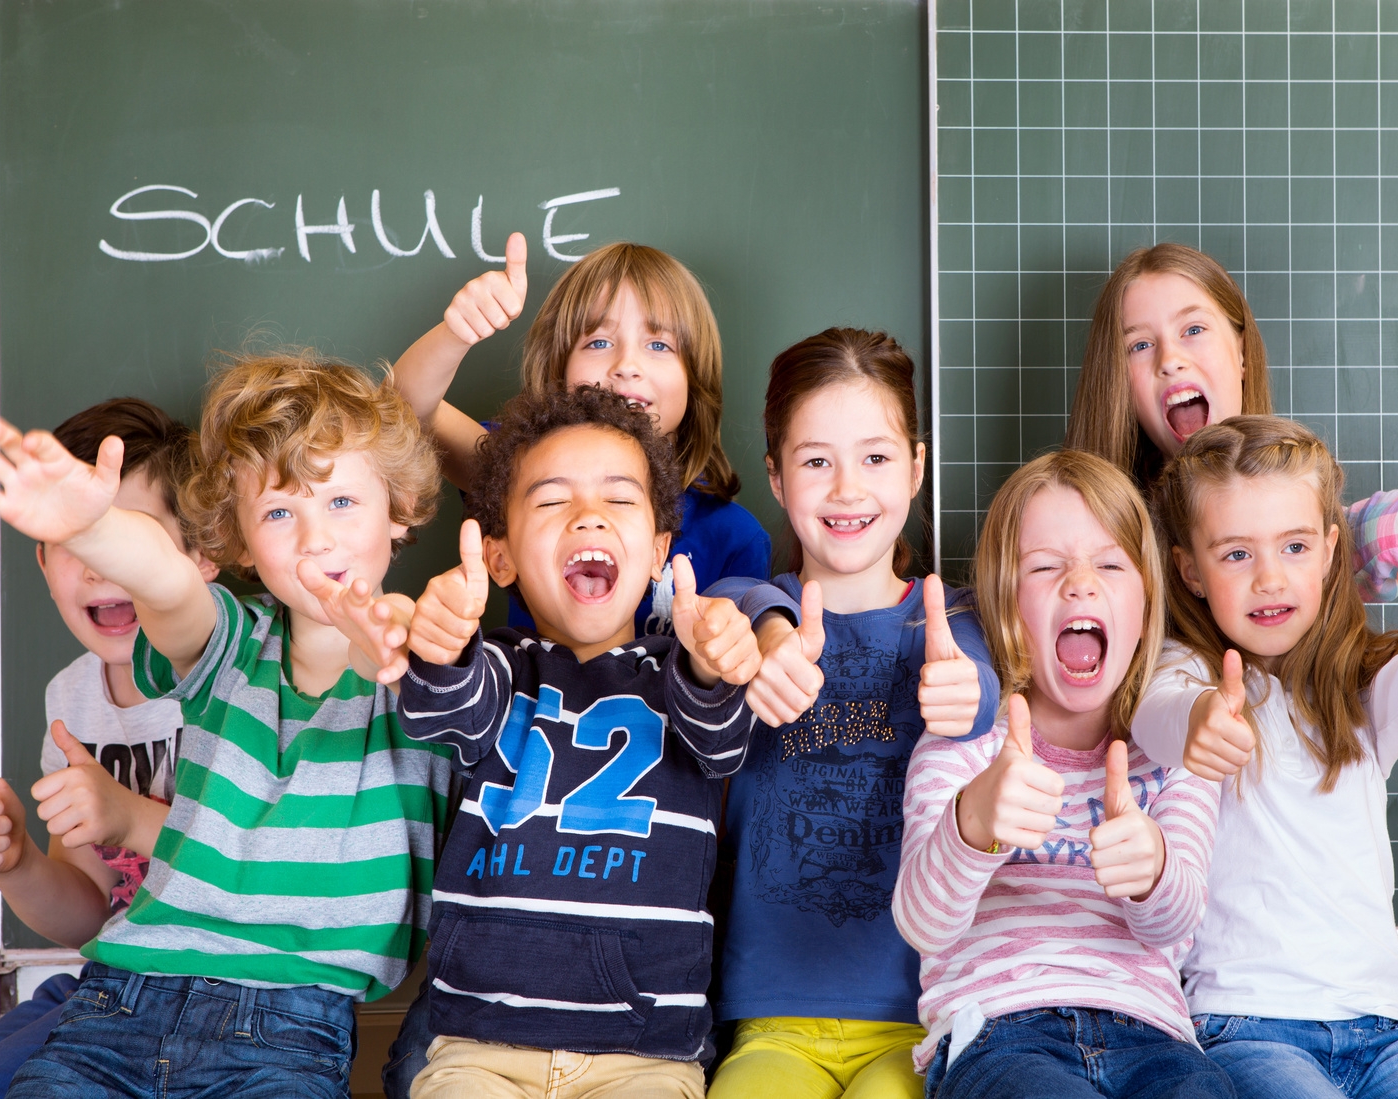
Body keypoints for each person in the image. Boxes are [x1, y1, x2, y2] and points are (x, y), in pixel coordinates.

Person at [0, 352, 456, 1098]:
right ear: (238, 539)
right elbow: (167, 585)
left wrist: (399, 638)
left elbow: (410, 662)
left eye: (342, 502)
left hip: (290, 1030)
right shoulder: (228, 648)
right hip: (120, 1003)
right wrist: (95, 529)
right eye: (279, 513)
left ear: (401, 509)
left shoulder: (433, 661)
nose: (315, 538)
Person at [333, 384, 757, 1099]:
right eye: (553, 500)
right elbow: (446, 703)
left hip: (645, 1055)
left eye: (618, 498)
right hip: (479, 1048)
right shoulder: (499, 668)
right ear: (498, 557)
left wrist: (715, 663)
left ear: (660, 551)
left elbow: (721, 743)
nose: (589, 514)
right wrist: (442, 640)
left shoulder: (681, 673)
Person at [1135, 416, 1398, 1099]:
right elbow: (1160, 715)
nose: (1270, 578)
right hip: (1246, 1024)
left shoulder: (1354, 693)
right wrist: (1202, 719)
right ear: (1190, 570)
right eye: (1236, 555)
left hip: (1385, 1029)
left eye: (1293, 546)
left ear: (1329, 553)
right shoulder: (1185, 671)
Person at [702, 328, 1000, 1099]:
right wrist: (769, 637)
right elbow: (726, 606)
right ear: (774, 475)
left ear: (917, 467)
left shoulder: (955, 620)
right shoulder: (747, 612)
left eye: (874, 457)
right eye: (815, 462)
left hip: (917, 1020)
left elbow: (979, 690)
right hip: (771, 1019)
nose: (845, 489)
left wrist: (968, 694)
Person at [894, 448, 1229, 1099]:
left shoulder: (1173, 746)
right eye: (1046, 566)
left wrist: (1154, 868)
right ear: (1005, 603)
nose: (1080, 583)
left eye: (1109, 564)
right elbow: (922, 924)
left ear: (1144, 606)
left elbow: (1174, 924)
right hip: (997, 1031)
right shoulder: (965, 742)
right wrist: (973, 822)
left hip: (1153, 1035)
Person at [0, 398, 215, 1099]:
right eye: (74, 537)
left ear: (201, 556)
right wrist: (17, 862)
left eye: (125, 535)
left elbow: (272, 872)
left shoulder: (240, 675)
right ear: (42, 556)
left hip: (226, 1000)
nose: (99, 565)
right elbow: (90, 911)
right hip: (111, 982)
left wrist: (130, 816)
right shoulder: (74, 696)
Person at [1065, 242, 1398, 601]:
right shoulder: (1099, 536)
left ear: (1242, 353)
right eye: (1140, 345)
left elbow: (1377, 535)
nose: (1170, 359)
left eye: (1193, 330)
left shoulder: (1302, 510)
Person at [392, 234, 770, 636]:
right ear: (558, 371)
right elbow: (402, 407)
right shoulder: (521, 469)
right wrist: (457, 333)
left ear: (695, 378)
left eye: (659, 345)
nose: (627, 365)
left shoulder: (735, 536)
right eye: (599, 342)